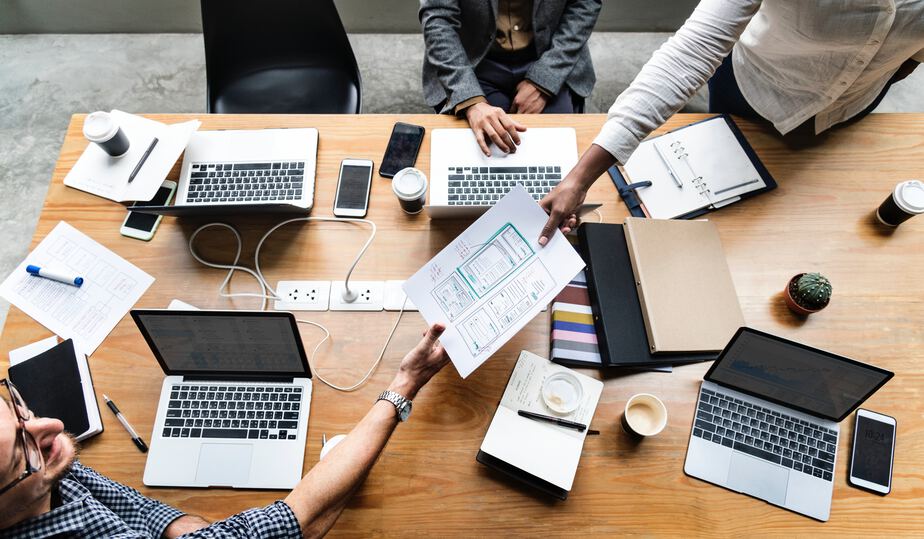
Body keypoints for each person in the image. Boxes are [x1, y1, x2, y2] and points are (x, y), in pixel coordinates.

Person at [0, 324, 450, 538]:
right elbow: (302, 520)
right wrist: (405, 382)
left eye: (14, 406)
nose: (52, 426)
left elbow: (134, 506)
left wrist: (192, 532)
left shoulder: (44, 463)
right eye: (25, 452)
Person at [538, 0, 924, 244]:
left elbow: (910, 56)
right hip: (752, 89)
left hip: (850, 108)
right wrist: (579, 178)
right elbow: (690, 53)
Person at [420, 0, 602, 156]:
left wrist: (545, 80)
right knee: (481, 155)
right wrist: (470, 100)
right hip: (474, 62)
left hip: (550, 53)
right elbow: (438, 17)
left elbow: (585, 4)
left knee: (558, 152)